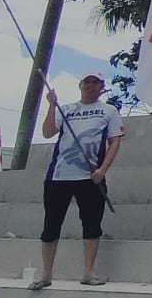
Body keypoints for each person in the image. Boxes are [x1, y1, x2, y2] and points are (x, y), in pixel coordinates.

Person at [30, 73, 123, 290]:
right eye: (87, 82)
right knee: (51, 225)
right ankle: (45, 274)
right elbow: (47, 132)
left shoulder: (109, 110)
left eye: (95, 83)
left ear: (102, 86)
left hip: (90, 176)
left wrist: (103, 169)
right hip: (59, 175)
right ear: (80, 85)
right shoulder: (68, 109)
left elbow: (115, 142)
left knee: (91, 223)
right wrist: (52, 105)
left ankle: (89, 272)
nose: (90, 86)